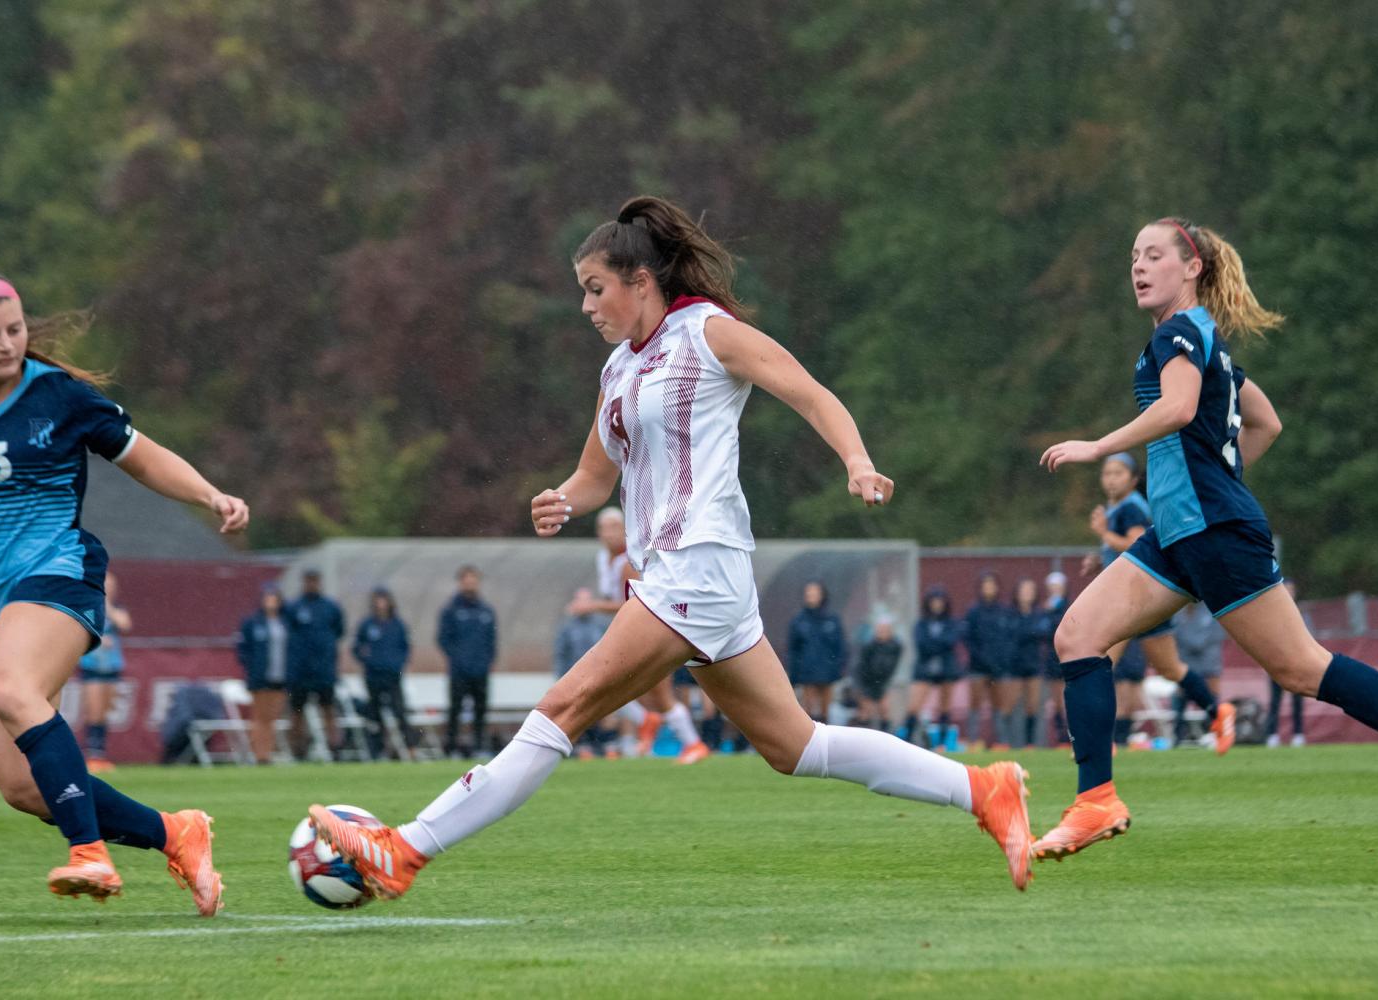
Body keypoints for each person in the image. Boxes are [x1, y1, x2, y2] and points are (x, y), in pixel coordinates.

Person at [308, 195, 1033, 896]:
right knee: (795, 747)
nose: (587, 306)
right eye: (582, 292)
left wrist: (856, 460)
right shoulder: (618, 368)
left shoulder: (707, 332)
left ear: (641, 281)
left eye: (596, 289)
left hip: (700, 562)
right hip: (686, 574)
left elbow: (808, 391)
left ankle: (404, 849)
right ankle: (983, 788)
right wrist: (563, 497)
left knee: (565, 705)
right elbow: (596, 475)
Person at [1035, 216, 1378, 860]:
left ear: (1192, 269)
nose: (1138, 265)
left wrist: (1101, 445)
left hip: (1214, 531)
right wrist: (1222, 470)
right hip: (1182, 533)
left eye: (1154, 255)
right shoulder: (1191, 337)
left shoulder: (1182, 331)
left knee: (1301, 668)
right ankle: (1096, 800)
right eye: (1133, 256)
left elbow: (1182, 409)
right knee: (1078, 636)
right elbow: (1264, 421)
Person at [0, 268, 240, 911]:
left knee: (12, 686)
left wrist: (209, 494)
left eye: (15, 330)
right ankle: (177, 832)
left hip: (55, 575)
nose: (7, 344)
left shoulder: (59, 396)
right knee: (23, 787)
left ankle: (90, 855)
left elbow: (141, 455)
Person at [1084, 451, 1235, 751]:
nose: (1111, 479)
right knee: (1170, 669)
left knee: (1101, 660)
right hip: (1141, 595)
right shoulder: (1118, 508)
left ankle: (1098, 739)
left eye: (1117, 473)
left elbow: (1136, 544)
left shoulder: (1131, 508)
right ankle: (1218, 713)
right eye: (1106, 473)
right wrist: (1100, 560)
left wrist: (1104, 534)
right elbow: (1124, 554)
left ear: (1133, 478)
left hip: (1136, 598)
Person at [587, 505, 709, 763]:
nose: (607, 534)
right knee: (620, 686)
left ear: (624, 530)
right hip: (628, 630)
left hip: (650, 627)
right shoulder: (602, 559)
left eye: (613, 528)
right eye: (602, 529)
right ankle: (648, 728)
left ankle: (693, 744)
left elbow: (633, 602)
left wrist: (593, 606)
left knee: (657, 692)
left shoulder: (626, 562)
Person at [438, 566, 497, 757]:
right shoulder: (451, 610)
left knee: (480, 711)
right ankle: (452, 749)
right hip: (459, 672)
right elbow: (443, 639)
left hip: (481, 671)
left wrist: (486, 661)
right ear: (461, 582)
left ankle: (479, 747)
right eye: (467, 580)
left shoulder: (486, 610)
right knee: (455, 710)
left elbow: (491, 640)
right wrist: (458, 659)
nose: (470, 583)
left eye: (474, 580)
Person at [285, 569, 344, 761]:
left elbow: (338, 631)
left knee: (328, 709)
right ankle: (298, 750)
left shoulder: (330, 607)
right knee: (297, 712)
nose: (312, 585)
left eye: (315, 581)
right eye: (308, 581)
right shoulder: (294, 607)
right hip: (301, 671)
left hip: (324, 670)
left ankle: (334, 748)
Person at [78, 571, 132, 772]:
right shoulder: (89, 607)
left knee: (105, 711)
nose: (110, 588)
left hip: (112, 665)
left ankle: (100, 754)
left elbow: (125, 624)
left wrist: (108, 605)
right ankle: (91, 754)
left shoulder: (116, 608)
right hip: (92, 664)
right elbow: (82, 630)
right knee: (93, 709)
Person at [552, 587, 614, 758]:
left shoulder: (601, 624)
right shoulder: (567, 627)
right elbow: (560, 654)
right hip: (576, 679)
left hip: (600, 676)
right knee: (580, 711)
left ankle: (606, 744)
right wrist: (561, 679)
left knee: (604, 710)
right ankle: (584, 746)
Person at [353, 587, 413, 760]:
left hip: (393, 676)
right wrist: (368, 660)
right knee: (375, 716)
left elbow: (405, 648)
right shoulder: (367, 624)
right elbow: (357, 647)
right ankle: (377, 751)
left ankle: (409, 748)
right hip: (373, 676)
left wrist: (397, 663)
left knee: (399, 712)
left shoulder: (397, 624)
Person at [899, 585, 961, 748]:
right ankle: (906, 740)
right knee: (913, 707)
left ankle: (942, 743)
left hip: (946, 668)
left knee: (945, 707)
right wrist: (939, 644)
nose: (937, 605)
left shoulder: (951, 623)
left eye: (940, 601)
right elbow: (922, 644)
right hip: (924, 668)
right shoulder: (921, 624)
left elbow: (951, 641)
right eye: (934, 601)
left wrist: (935, 644)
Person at [236, 584, 289, 763]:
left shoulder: (285, 622)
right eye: (268, 598)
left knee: (273, 718)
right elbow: (243, 649)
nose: (271, 602)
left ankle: (268, 751)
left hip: (280, 676)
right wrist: (253, 667)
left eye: (274, 599)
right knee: (260, 717)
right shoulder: (253, 622)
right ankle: (260, 754)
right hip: (260, 677)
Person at [962, 572, 1014, 751]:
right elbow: (968, 639)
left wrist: (1000, 660)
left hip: (999, 667)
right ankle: (973, 741)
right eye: (986, 584)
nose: (989, 588)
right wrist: (982, 658)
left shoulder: (1003, 611)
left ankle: (1001, 741)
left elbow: (1008, 638)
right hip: (978, 666)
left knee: (999, 705)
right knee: (975, 704)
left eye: (992, 584)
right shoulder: (973, 611)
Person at [787, 581, 847, 724]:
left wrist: (838, 667)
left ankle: (827, 742)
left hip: (828, 672)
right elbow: (793, 650)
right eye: (808, 592)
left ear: (822, 595)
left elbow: (840, 646)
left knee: (826, 712)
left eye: (814, 592)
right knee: (809, 712)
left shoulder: (832, 619)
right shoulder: (799, 621)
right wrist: (794, 675)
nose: (811, 595)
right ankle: (811, 742)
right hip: (807, 672)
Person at [1172, 600, 1225, 743]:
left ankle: (1215, 730)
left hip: (1208, 661)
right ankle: (1178, 735)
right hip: (1186, 662)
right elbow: (1173, 632)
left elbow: (1215, 633)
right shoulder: (1178, 611)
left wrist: (1192, 641)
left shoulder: (1210, 609)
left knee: (1211, 695)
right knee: (1181, 696)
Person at [1265, 579, 1309, 747]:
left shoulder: (1301, 614)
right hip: (1276, 663)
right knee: (1275, 701)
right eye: (1286, 589)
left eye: (1291, 589)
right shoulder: (1272, 614)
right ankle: (1272, 735)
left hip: (1297, 664)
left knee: (1297, 701)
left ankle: (1298, 734)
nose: (1289, 593)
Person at [1009, 579, 1048, 749]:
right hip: (1014, 664)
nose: (1027, 594)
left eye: (1030, 590)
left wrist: (1027, 632)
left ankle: (1029, 742)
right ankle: (1009, 742)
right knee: (1011, 704)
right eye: (1024, 590)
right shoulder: (1010, 614)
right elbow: (1013, 634)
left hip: (1033, 664)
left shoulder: (1039, 613)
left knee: (1032, 706)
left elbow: (1042, 632)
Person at [853, 616, 902, 731]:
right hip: (867, 681)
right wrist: (863, 687)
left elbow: (891, 667)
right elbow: (862, 667)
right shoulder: (869, 646)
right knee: (865, 711)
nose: (882, 632)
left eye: (885, 629)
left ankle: (886, 737)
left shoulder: (895, 646)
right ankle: (862, 737)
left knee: (885, 710)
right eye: (880, 629)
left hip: (883, 682)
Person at [1040, 572, 1070, 746]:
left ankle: (1071, 734)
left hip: (1067, 655)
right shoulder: (1046, 609)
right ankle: (1061, 736)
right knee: (1057, 700)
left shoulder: (1069, 605)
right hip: (1053, 658)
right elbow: (1043, 631)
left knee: (1068, 698)